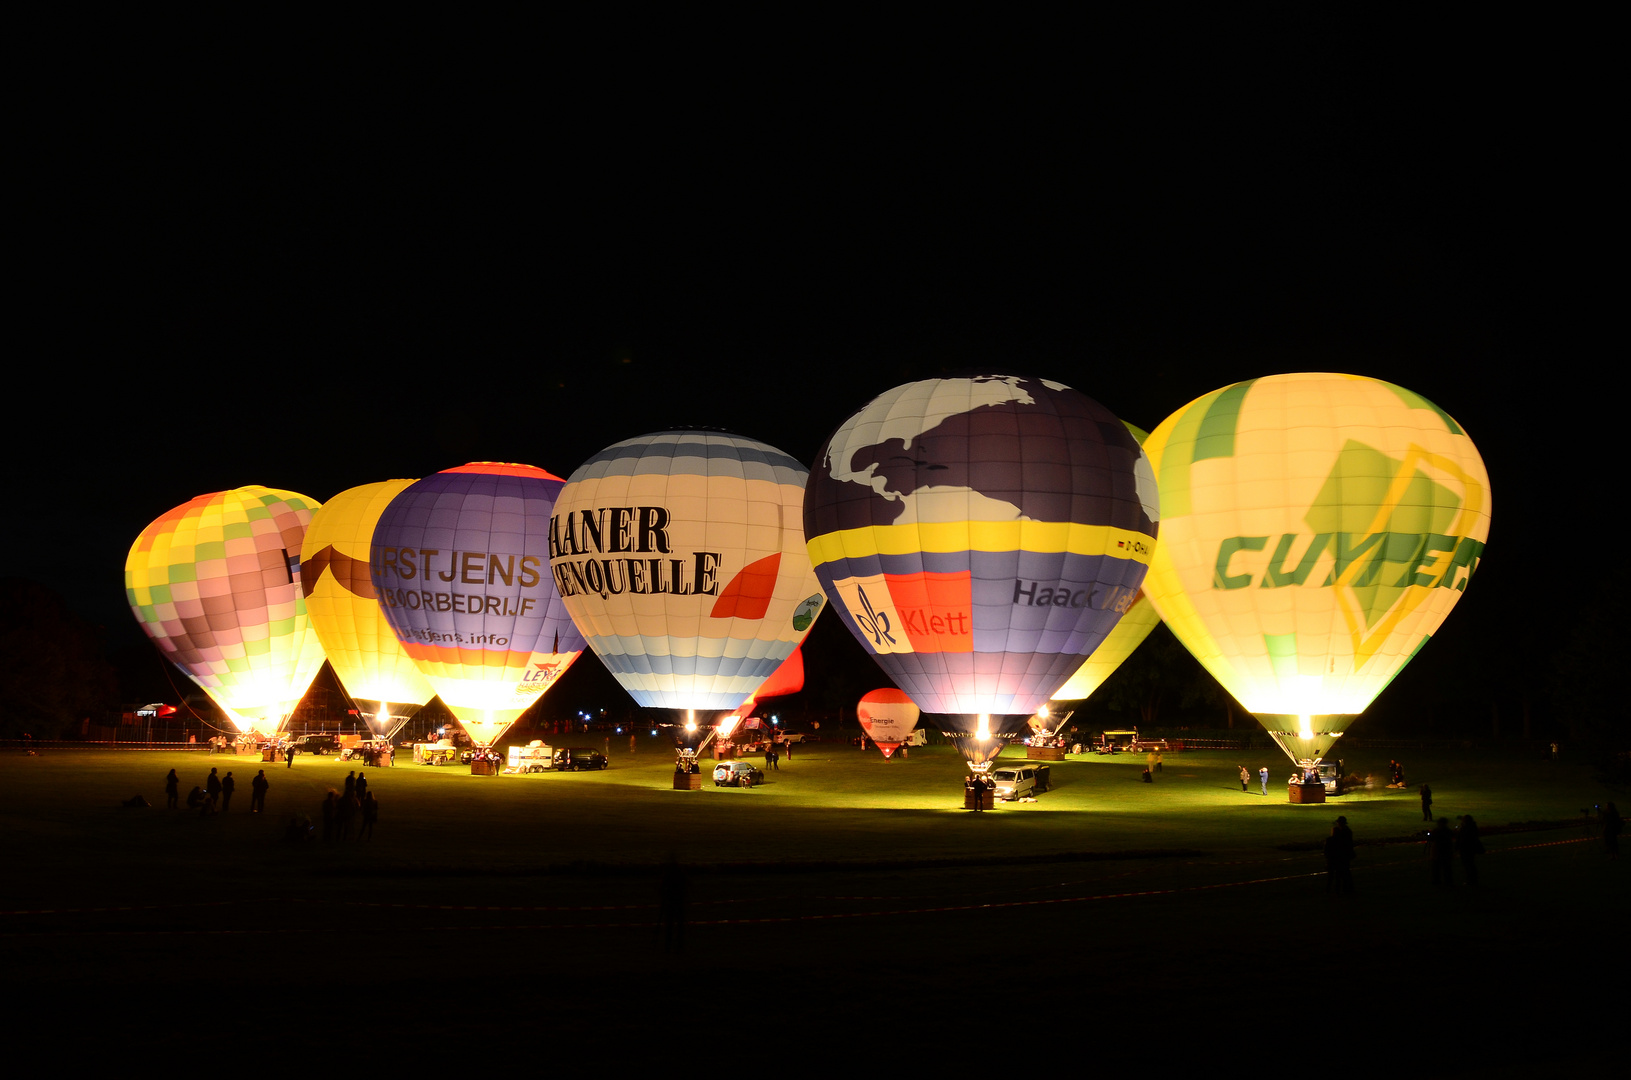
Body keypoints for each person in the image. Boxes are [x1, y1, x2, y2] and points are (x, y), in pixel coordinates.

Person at [1325, 816, 1355, 894]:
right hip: (1344, 856)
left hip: (1337, 857)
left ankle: (1333, 890)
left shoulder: (1333, 838)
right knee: (1342, 874)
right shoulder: (1347, 831)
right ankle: (1344, 889)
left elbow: (1327, 850)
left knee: (1334, 875)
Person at [1457, 815, 1484, 886]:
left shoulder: (1467, 828)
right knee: (1470, 864)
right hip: (1469, 848)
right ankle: (1473, 879)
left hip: (1466, 848)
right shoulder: (1472, 827)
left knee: (1468, 865)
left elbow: (1463, 837)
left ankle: (1471, 880)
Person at [1429, 817, 1455, 887]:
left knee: (1436, 867)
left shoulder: (1436, 831)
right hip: (1446, 851)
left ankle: (1437, 881)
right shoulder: (1448, 831)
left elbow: (1432, 839)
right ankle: (1448, 881)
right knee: (1447, 868)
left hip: (1438, 851)